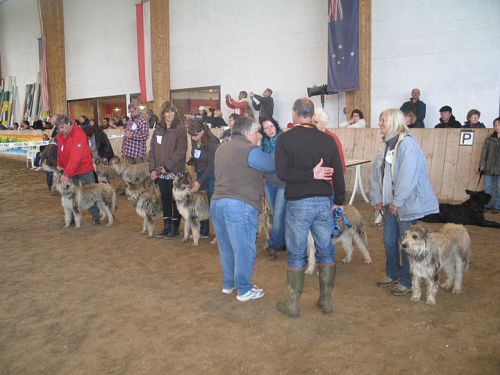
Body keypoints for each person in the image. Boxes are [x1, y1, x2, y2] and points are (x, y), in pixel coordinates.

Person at [275, 98, 345, 317]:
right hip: (323, 202)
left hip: (298, 203)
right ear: (312, 114)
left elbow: (282, 173)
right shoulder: (328, 140)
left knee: (297, 253)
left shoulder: (285, 139)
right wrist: (339, 201)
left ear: (295, 113)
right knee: (326, 250)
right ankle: (326, 301)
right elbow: (339, 173)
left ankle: (293, 304)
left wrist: (306, 175)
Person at [370, 108, 439, 297]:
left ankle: (406, 280)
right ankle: (392, 273)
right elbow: (377, 174)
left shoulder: (408, 145)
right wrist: (377, 199)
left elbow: (408, 176)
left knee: (406, 243)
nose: (380, 123)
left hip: (404, 205)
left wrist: (397, 201)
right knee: (389, 241)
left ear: (393, 122)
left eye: (383, 120)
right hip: (389, 204)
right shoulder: (385, 145)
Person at [210, 116, 275, 302]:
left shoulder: (222, 148)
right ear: (247, 133)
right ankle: (244, 289)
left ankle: (229, 284)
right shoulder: (249, 150)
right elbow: (272, 165)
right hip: (239, 205)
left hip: (217, 203)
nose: (259, 136)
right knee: (245, 248)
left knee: (227, 248)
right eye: (257, 133)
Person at [149, 101, 188, 238]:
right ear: (163, 113)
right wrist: (152, 169)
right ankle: (166, 226)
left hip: (174, 171)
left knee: (175, 199)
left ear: (175, 112)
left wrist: (167, 167)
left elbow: (181, 151)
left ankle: (175, 227)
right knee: (165, 198)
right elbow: (152, 150)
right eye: (167, 111)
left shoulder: (180, 128)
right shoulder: (158, 129)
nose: (170, 114)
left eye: (172, 111)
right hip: (160, 172)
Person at [55, 115, 101, 224]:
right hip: (69, 169)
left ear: (69, 124)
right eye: (59, 128)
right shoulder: (60, 136)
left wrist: (66, 174)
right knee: (69, 195)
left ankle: (96, 217)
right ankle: (71, 219)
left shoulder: (79, 134)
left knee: (90, 193)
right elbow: (60, 151)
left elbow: (76, 157)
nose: (61, 130)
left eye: (63, 127)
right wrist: (60, 164)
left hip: (83, 168)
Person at [187, 120, 219, 238]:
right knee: (201, 203)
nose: (193, 138)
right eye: (191, 136)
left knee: (212, 203)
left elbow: (212, 166)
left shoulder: (212, 142)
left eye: (196, 135)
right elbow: (196, 155)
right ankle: (204, 231)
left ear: (202, 131)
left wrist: (199, 182)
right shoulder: (194, 137)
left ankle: (218, 233)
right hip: (200, 174)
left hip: (212, 176)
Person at [260, 117, 286, 260]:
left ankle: (272, 244)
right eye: (266, 128)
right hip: (269, 182)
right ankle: (282, 242)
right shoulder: (263, 143)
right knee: (276, 214)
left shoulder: (283, 140)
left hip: (283, 183)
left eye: (271, 126)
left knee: (277, 216)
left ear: (275, 126)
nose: (269, 130)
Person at [480, 117, 500, 213]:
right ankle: (486, 205)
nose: (497, 127)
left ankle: (497, 206)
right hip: (489, 167)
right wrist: (482, 164)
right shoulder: (489, 138)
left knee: (499, 189)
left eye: (499, 125)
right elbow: (484, 153)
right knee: (488, 187)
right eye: (495, 125)